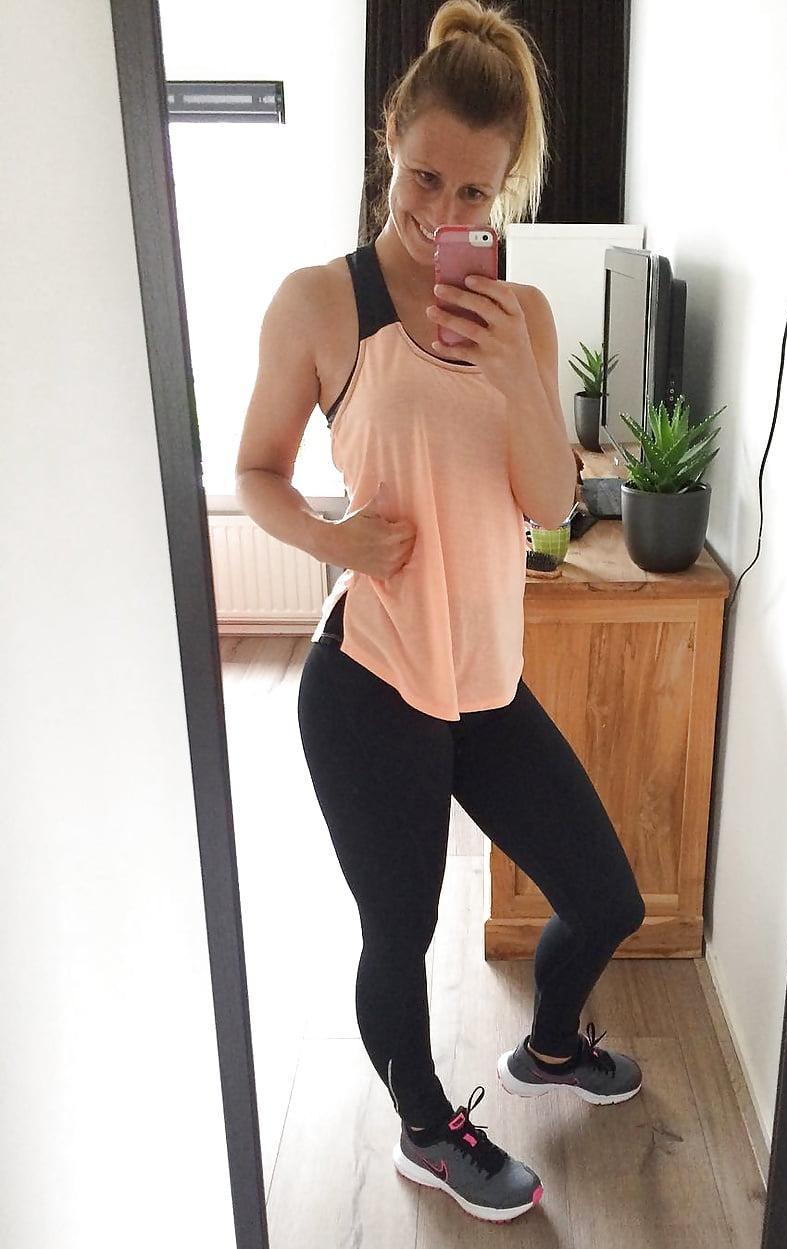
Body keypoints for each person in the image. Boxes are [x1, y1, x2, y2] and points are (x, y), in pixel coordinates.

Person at [235, 0, 645, 1225]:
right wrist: (333, 538)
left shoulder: (524, 316)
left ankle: (551, 1046)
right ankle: (424, 1127)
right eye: (425, 177)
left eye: (476, 191)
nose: (443, 212)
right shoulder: (321, 303)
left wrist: (517, 374)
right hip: (370, 676)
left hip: (485, 677)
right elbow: (255, 470)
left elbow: (550, 503)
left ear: (505, 185)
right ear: (389, 141)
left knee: (607, 898)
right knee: (400, 928)